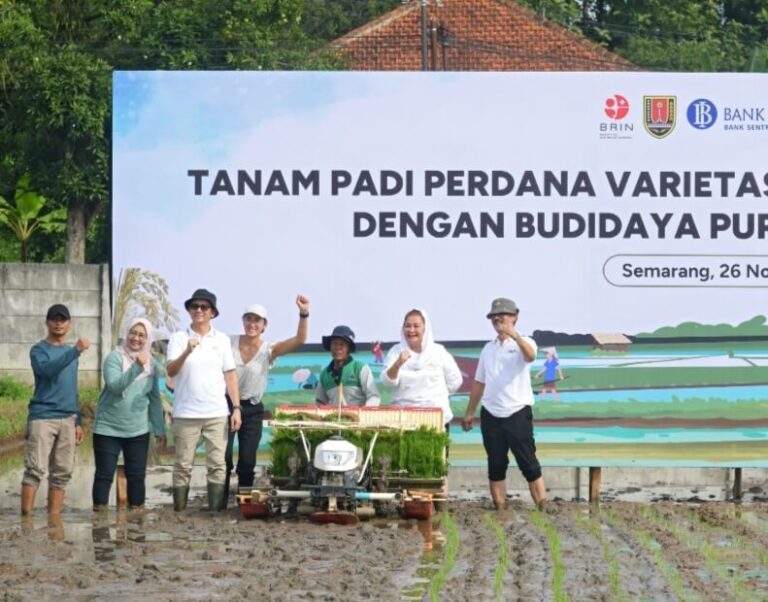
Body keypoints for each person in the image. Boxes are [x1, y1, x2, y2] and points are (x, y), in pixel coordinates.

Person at [461, 298, 548, 511]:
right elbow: (479, 382)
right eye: (494, 316)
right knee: (496, 464)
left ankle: (543, 507)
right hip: (491, 414)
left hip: (517, 413)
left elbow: (530, 356)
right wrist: (470, 412)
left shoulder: (524, 342)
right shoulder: (487, 349)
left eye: (504, 315)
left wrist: (514, 335)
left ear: (515, 317)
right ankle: (500, 508)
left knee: (528, 462)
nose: (498, 318)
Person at [166, 288, 241, 511]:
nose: (199, 310)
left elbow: (230, 375)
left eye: (204, 307)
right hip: (186, 413)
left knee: (218, 464)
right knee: (183, 465)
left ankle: (215, 512)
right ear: (189, 310)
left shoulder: (222, 340)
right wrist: (187, 351)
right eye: (194, 306)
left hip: (217, 413)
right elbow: (171, 370)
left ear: (212, 313)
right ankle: (179, 511)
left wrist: (236, 407)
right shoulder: (178, 338)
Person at [225, 295, 310, 492]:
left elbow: (300, 339)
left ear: (264, 325)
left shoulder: (269, 349)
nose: (252, 324)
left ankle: (243, 498)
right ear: (243, 321)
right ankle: (218, 501)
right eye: (248, 319)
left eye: (257, 320)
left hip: (253, 408)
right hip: (227, 405)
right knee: (223, 456)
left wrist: (304, 313)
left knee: (247, 459)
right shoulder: (228, 343)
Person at [21, 303, 89, 516]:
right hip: (43, 418)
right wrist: (75, 351)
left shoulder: (71, 354)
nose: (58, 323)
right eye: (54, 319)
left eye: (63, 319)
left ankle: (54, 519)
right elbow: (47, 371)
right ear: (47, 322)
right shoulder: (39, 350)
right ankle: (26, 521)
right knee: (34, 470)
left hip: (68, 419)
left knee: (62, 473)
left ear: (69, 324)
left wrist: (78, 421)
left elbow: (73, 389)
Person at [92, 318, 166, 510]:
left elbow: (155, 399)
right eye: (133, 333)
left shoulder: (153, 365)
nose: (136, 338)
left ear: (148, 339)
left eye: (142, 335)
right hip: (108, 428)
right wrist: (136, 367)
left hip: (137, 431)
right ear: (127, 334)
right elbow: (116, 386)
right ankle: (99, 520)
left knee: (137, 476)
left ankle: (136, 520)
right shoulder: (114, 358)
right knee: (104, 475)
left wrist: (159, 429)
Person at [379, 308, 462, 429]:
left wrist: (438, 396)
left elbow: (455, 380)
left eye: (416, 326)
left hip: (435, 420)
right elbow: (387, 381)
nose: (411, 330)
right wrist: (398, 364)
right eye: (407, 326)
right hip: (403, 421)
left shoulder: (438, 352)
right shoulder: (396, 351)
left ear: (425, 328)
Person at [316, 325, 380, 407]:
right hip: (334, 419)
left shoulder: (360, 368)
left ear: (349, 348)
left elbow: (373, 397)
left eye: (342, 344)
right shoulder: (324, 374)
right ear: (330, 346)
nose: (338, 347)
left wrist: (363, 414)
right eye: (335, 343)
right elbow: (320, 403)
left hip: (358, 418)